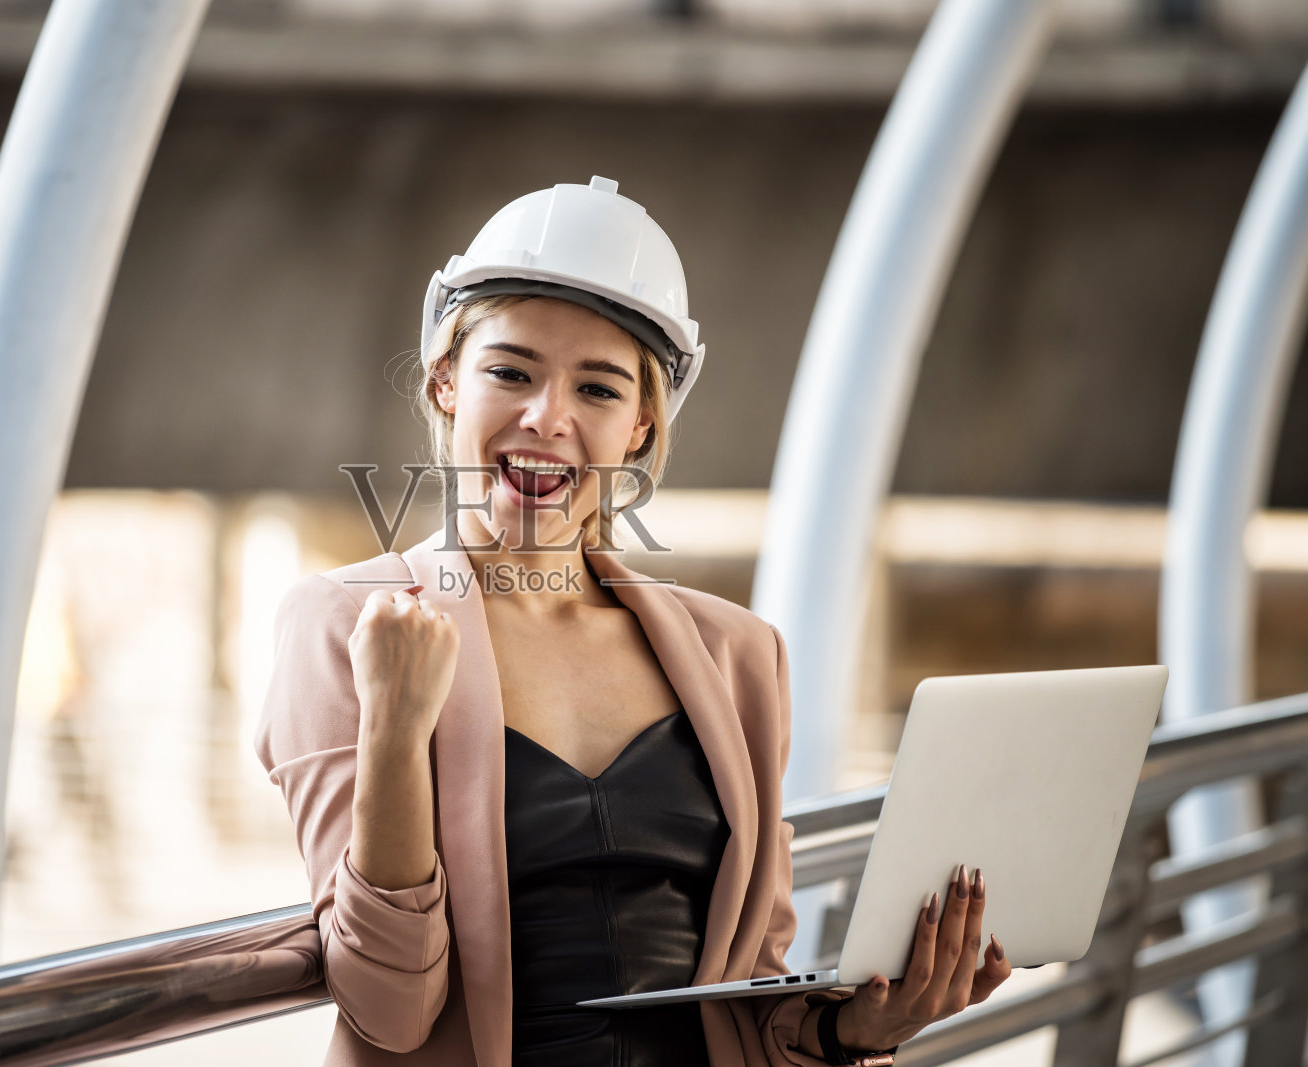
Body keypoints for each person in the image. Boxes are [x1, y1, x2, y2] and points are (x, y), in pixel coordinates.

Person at [253, 177, 1012, 1067]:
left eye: (599, 389)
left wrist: (853, 1029)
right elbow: (386, 1006)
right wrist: (393, 725)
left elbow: (754, 995)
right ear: (446, 379)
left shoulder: (737, 656)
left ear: (641, 426)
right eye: (510, 371)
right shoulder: (347, 625)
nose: (549, 417)